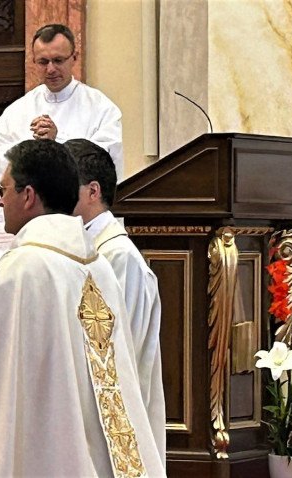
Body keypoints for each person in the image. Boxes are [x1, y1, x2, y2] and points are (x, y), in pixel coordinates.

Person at [0, 139, 165, 477]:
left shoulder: (28, 266)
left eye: (4, 189)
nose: (0, 200)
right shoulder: (95, 264)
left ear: (28, 196)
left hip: (49, 443)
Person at [66, 138, 166, 465]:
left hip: (115, 424)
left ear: (93, 191)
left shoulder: (119, 257)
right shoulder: (80, 248)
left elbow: (123, 352)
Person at [0, 23, 125, 192]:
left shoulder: (102, 109)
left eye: (58, 60)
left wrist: (55, 146)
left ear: (74, 58)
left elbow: (103, 165)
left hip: (78, 206)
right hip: (31, 205)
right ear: (34, 62)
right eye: (43, 62)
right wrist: (33, 153)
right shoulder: (18, 110)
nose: (50, 69)